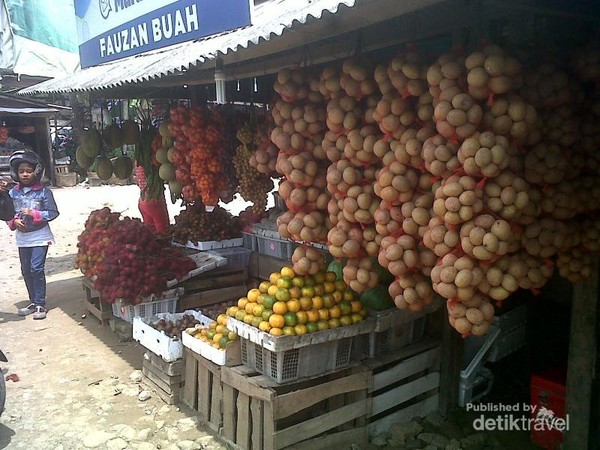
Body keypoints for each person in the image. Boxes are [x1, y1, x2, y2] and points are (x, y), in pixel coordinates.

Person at [5, 150, 59, 320]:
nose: (25, 174)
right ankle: (32, 301)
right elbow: (6, 212)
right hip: (22, 238)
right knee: (26, 270)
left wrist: (35, 214)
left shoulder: (44, 192)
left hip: (40, 236)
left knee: (36, 268)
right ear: (16, 173)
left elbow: (53, 212)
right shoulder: (13, 193)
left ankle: (40, 304)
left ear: (36, 171)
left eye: (29, 170)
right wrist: (13, 221)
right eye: (21, 171)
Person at [135, 163, 170, 234]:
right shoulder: (153, 161)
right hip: (155, 203)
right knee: (164, 234)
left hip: (143, 201)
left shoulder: (138, 161)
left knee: (151, 235)